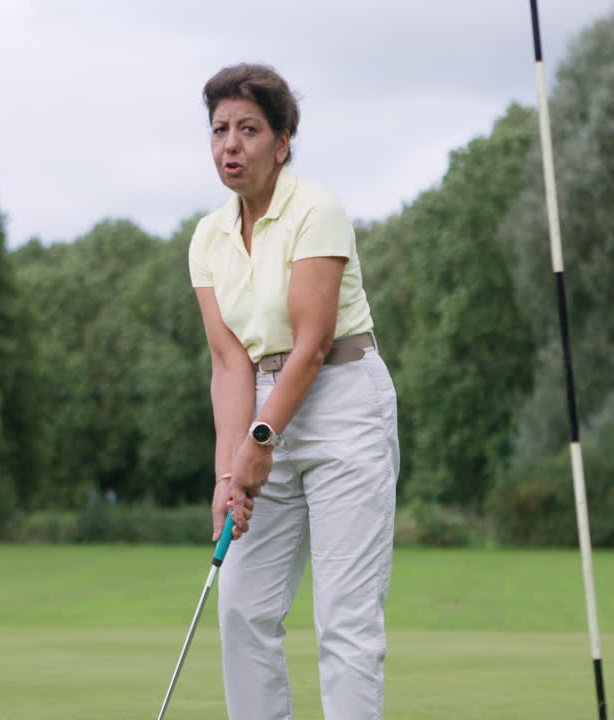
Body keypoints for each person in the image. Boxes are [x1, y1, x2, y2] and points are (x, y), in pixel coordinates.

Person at [189, 63, 399, 720]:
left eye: (249, 129)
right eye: (220, 129)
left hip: (343, 402)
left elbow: (310, 344)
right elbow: (229, 365)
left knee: (346, 621)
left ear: (282, 142)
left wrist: (261, 440)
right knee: (243, 609)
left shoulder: (317, 210)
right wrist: (230, 472)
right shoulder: (208, 238)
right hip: (261, 405)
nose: (231, 144)